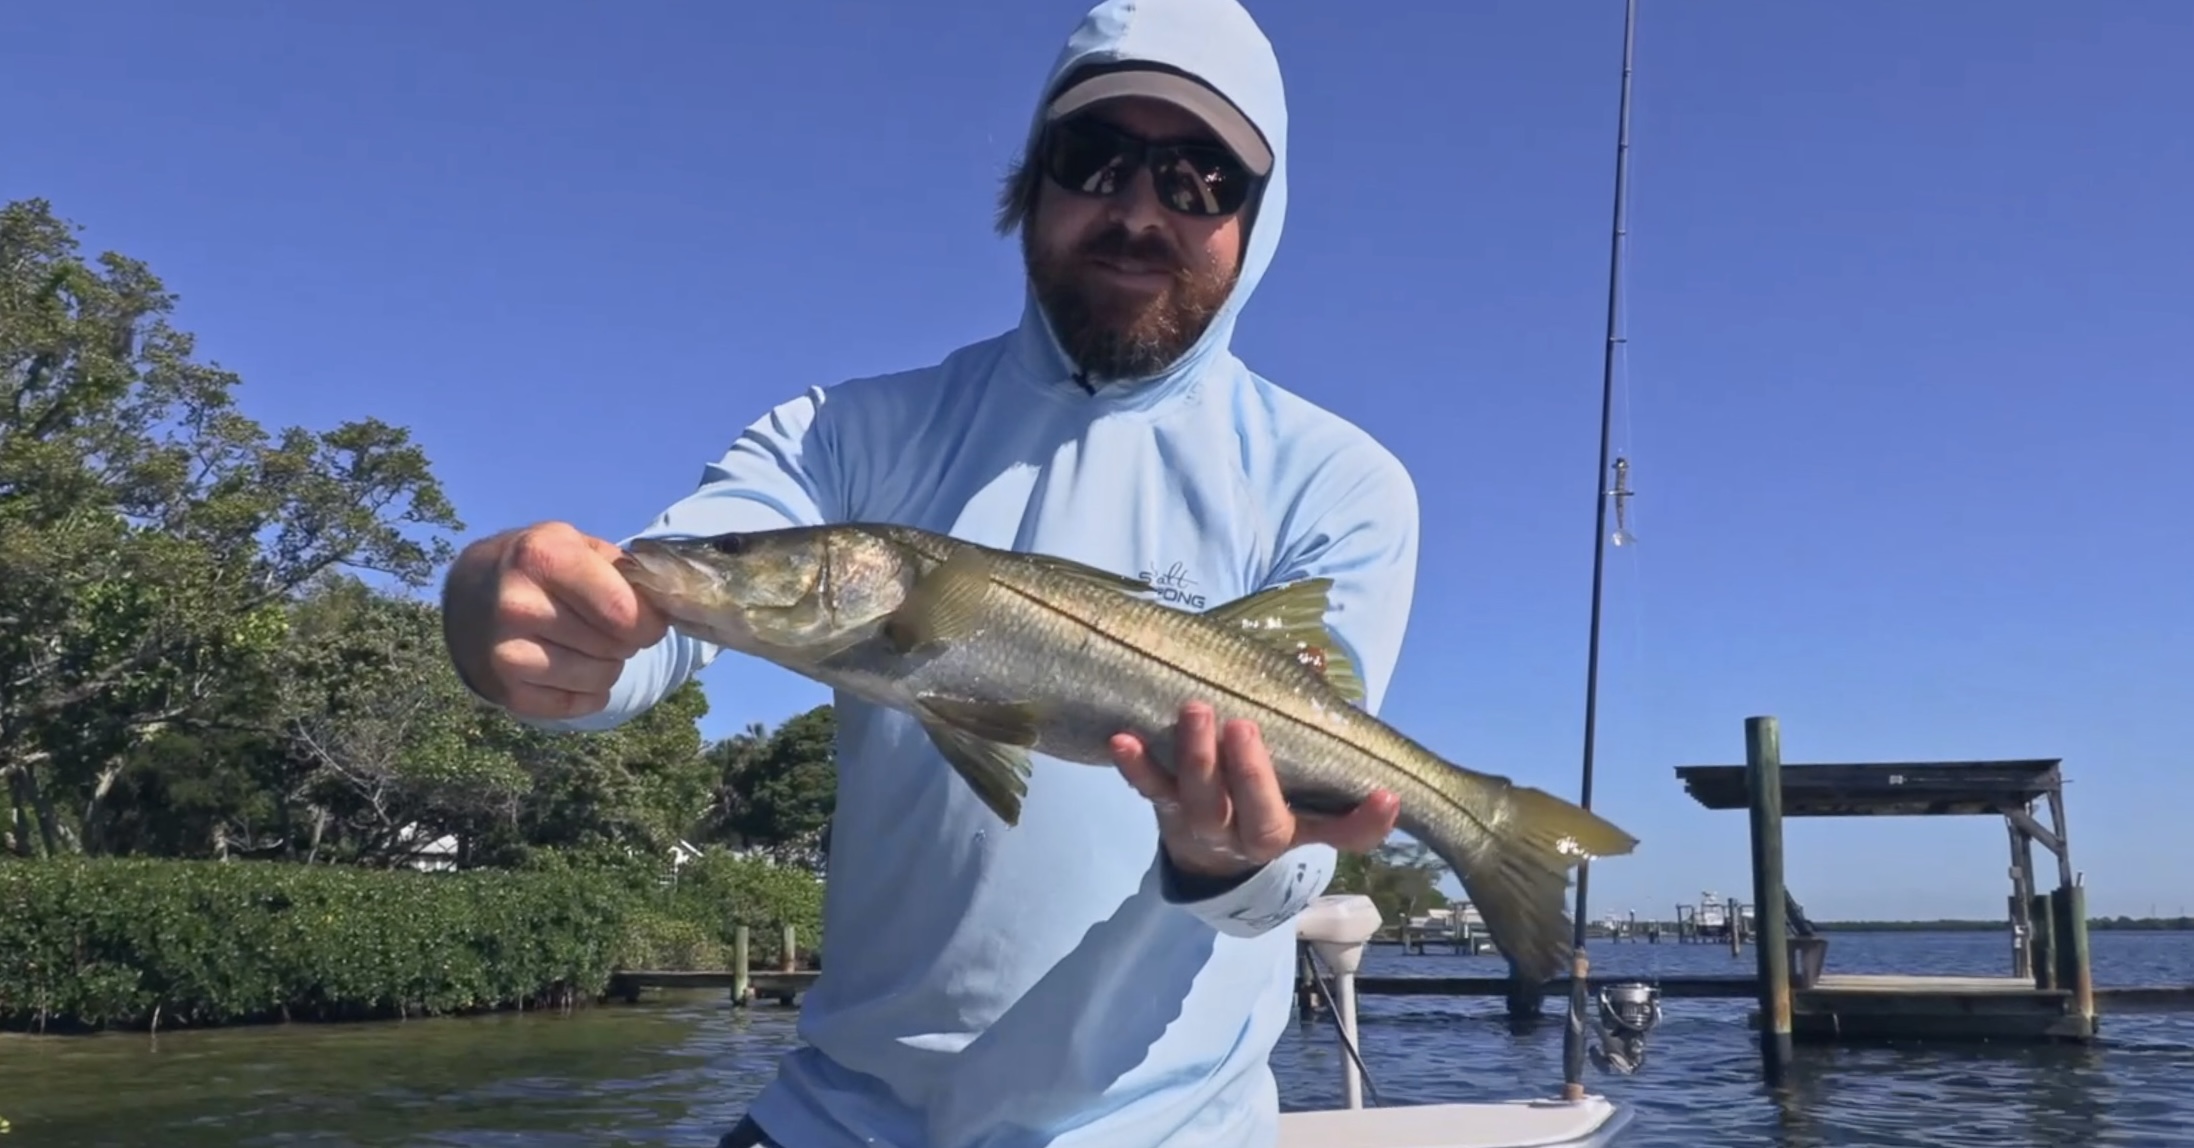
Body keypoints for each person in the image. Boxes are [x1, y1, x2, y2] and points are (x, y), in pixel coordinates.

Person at [439, 0, 1422, 1144]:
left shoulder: (1339, 482)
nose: (1138, 210)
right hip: (836, 1115)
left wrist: (1227, 854)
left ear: (1259, 214)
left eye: (1200, 178)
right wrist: (509, 619)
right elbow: (670, 600)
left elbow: (1288, 876)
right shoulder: (843, 433)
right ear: (1030, 179)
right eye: (1094, 156)